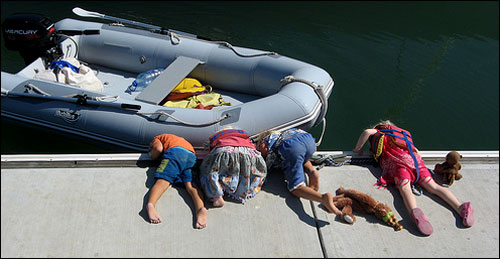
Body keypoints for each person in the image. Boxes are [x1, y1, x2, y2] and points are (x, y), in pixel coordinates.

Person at [352, 120, 474, 235]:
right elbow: (417, 153)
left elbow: (367, 132)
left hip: (399, 164)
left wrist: (357, 149)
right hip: (415, 162)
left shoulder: (379, 131)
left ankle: (415, 211)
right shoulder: (404, 136)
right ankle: (460, 207)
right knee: (434, 187)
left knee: (405, 189)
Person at [256, 128, 341, 215]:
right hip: (308, 140)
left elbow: (265, 170)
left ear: (263, 143)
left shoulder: (268, 142)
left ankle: (323, 198)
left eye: (259, 147)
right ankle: (312, 172)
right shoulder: (282, 135)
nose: (259, 152)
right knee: (300, 159)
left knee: (295, 189)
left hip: (291, 146)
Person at [146, 133, 207, 229]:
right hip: (191, 156)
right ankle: (200, 209)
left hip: (175, 153)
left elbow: (158, 149)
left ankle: (151, 205)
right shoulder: (182, 140)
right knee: (191, 186)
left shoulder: (157, 138)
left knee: (163, 180)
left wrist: (152, 155)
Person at [199, 128, 267, 207]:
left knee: (210, 171)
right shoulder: (245, 136)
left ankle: (217, 197)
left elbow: (211, 150)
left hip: (226, 150)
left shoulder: (218, 136)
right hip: (250, 153)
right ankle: (247, 188)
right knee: (248, 170)